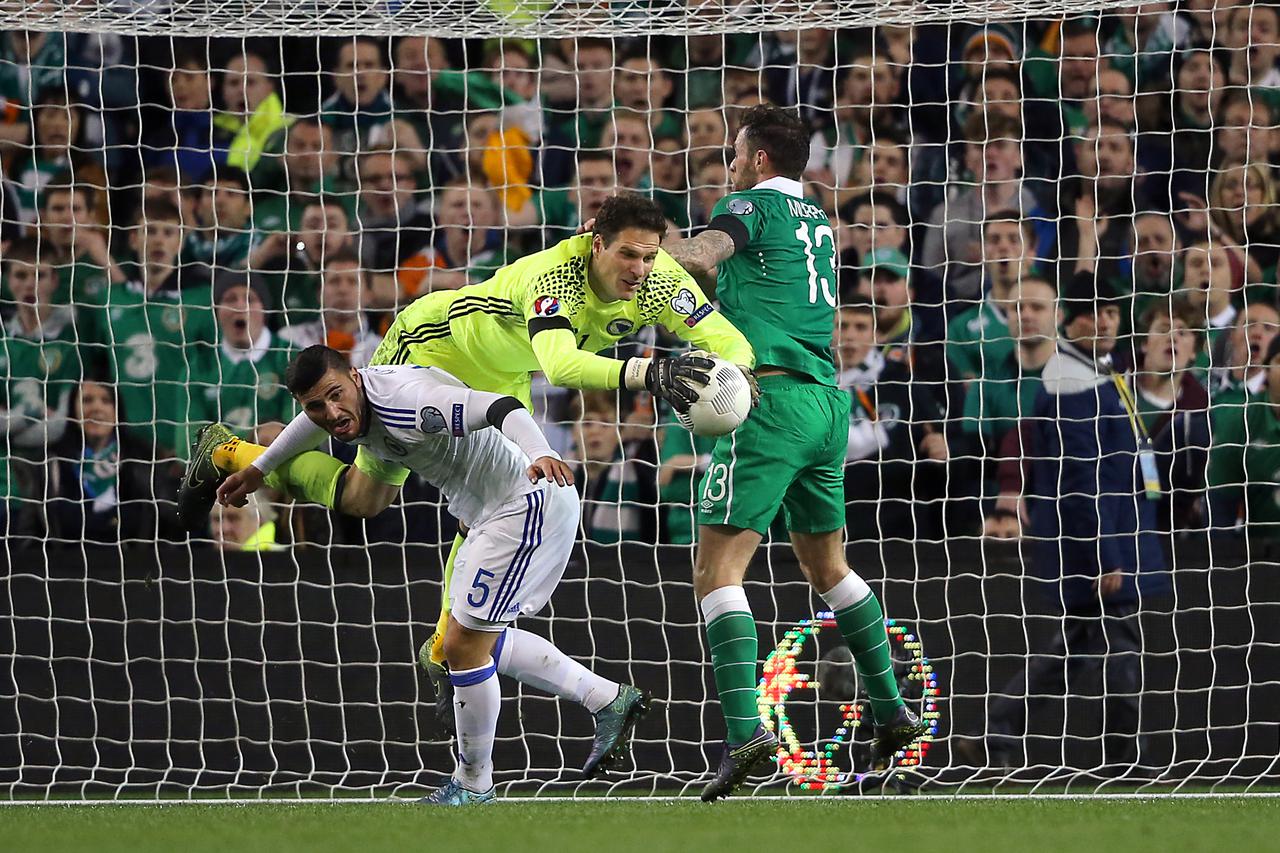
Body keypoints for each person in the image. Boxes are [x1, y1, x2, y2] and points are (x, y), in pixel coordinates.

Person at [179, 193, 753, 724]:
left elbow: (727, 337)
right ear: (595, 242)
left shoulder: (657, 279)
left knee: (494, 499)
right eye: (628, 254)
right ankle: (232, 450)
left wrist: (739, 379)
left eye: (649, 257)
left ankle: (448, 641)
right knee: (365, 497)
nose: (640, 269)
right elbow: (563, 366)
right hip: (433, 346)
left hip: (503, 374)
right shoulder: (554, 277)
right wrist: (651, 372)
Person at [210, 345, 650, 804]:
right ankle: (607, 698)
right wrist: (260, 467)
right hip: (483, 513)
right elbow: (306, 422)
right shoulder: (342, 405)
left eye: (336, 396)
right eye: (317, 405)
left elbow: (502, 407)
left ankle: (473, 785)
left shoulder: (411, 403)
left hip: (525, 500)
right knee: (470, 643)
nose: (331, 413)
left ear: (356, 378)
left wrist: (540, 450)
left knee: (461, 646)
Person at [662, 104, 926, 801]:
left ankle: (747, 730)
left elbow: (701, 254)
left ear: (757, 160)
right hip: (825, 403)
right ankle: (894, 710)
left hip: (770, 403)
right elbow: (751, 283)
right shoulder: (816, 221)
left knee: (716, 569)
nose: (726, 162)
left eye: (732, 152)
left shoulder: (745, 205)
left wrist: (650, 238)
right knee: (827, 564)